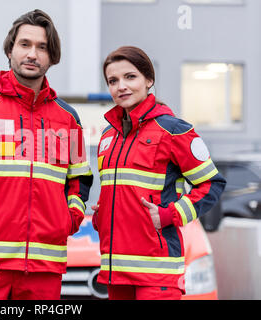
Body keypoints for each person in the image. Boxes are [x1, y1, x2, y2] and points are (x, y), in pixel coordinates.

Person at [0, 9, 93, 300]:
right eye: (25, 44)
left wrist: (69, 218)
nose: (32, 54)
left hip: (44, 270)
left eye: (42, 47)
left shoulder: (69, 119)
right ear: (10, 50)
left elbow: (80, 179)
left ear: (52, 57)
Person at [92, 46, 226, 300]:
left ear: (148, 80)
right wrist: (103, 214)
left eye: (130, 77)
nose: (121, 86)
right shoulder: (107, 137)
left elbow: (212, 184)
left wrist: (170, 214)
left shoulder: (174, 130)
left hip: (157, 273)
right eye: (113, 80)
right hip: (114, 271)